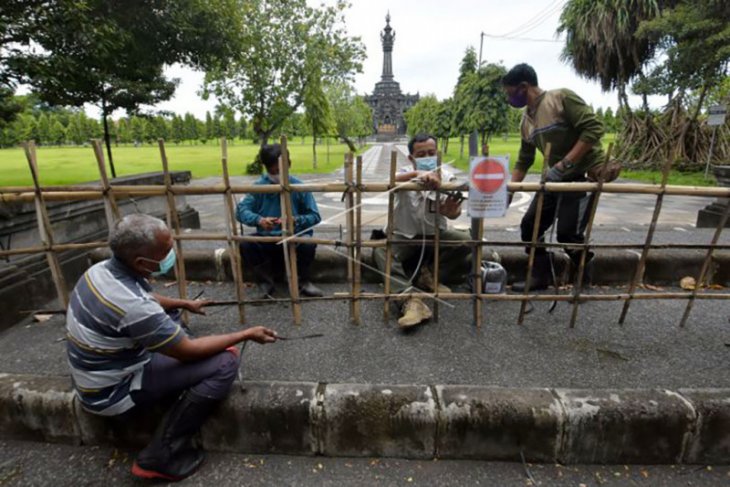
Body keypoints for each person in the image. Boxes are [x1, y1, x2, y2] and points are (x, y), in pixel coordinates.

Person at [65, 213, 278, 481]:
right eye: (166, 251)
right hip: (111, 392)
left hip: (95, 375)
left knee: (170, 318)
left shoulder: (100, 271)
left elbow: (148, 298)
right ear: (141, 262)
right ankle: (158, 455)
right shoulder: (134, 308)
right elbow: (187, 349)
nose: (171, 253)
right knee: (225, 362)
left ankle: (171, 359)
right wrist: (245, 334)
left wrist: (183, 303)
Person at [502, 63, 605, 290]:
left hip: (579, 176)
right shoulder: (526, 122)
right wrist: (510, 188)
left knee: (568, 234)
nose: (509, 100)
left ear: (523, 87)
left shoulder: (560, 99)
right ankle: (541, 275)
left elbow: (594, 128)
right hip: (553, 179)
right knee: (530, 226)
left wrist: (565, 163)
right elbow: (524, 159)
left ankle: (584, 276)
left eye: (510, 94)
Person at [373, 133, 471, 328]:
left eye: (431, 153)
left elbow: (454, 212)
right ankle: (410, 300)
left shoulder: (447, 176)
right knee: (380, 251)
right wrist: (416, 175)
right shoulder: (404, 172)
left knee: (468, 241)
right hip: (404, 237)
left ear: (437, 153)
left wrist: (451, 211)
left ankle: (430, 276)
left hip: (435, 235)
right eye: (421, 154)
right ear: (411, 158)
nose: (427, 157)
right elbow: (390, 179)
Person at [237, 144, 323, 299]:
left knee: (308, 243)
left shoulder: (298, 186)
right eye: (273, 171)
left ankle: (302, 281)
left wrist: (296, 220)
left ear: (289, 164)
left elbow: (315, 216)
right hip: (267, 238)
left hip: (294, 237)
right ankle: (265, 283)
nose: (278, 175)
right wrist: (259, 220)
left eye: (281, 170)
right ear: (266, 168)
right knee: (246, 244)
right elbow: (241, 211)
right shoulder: (258, 188)